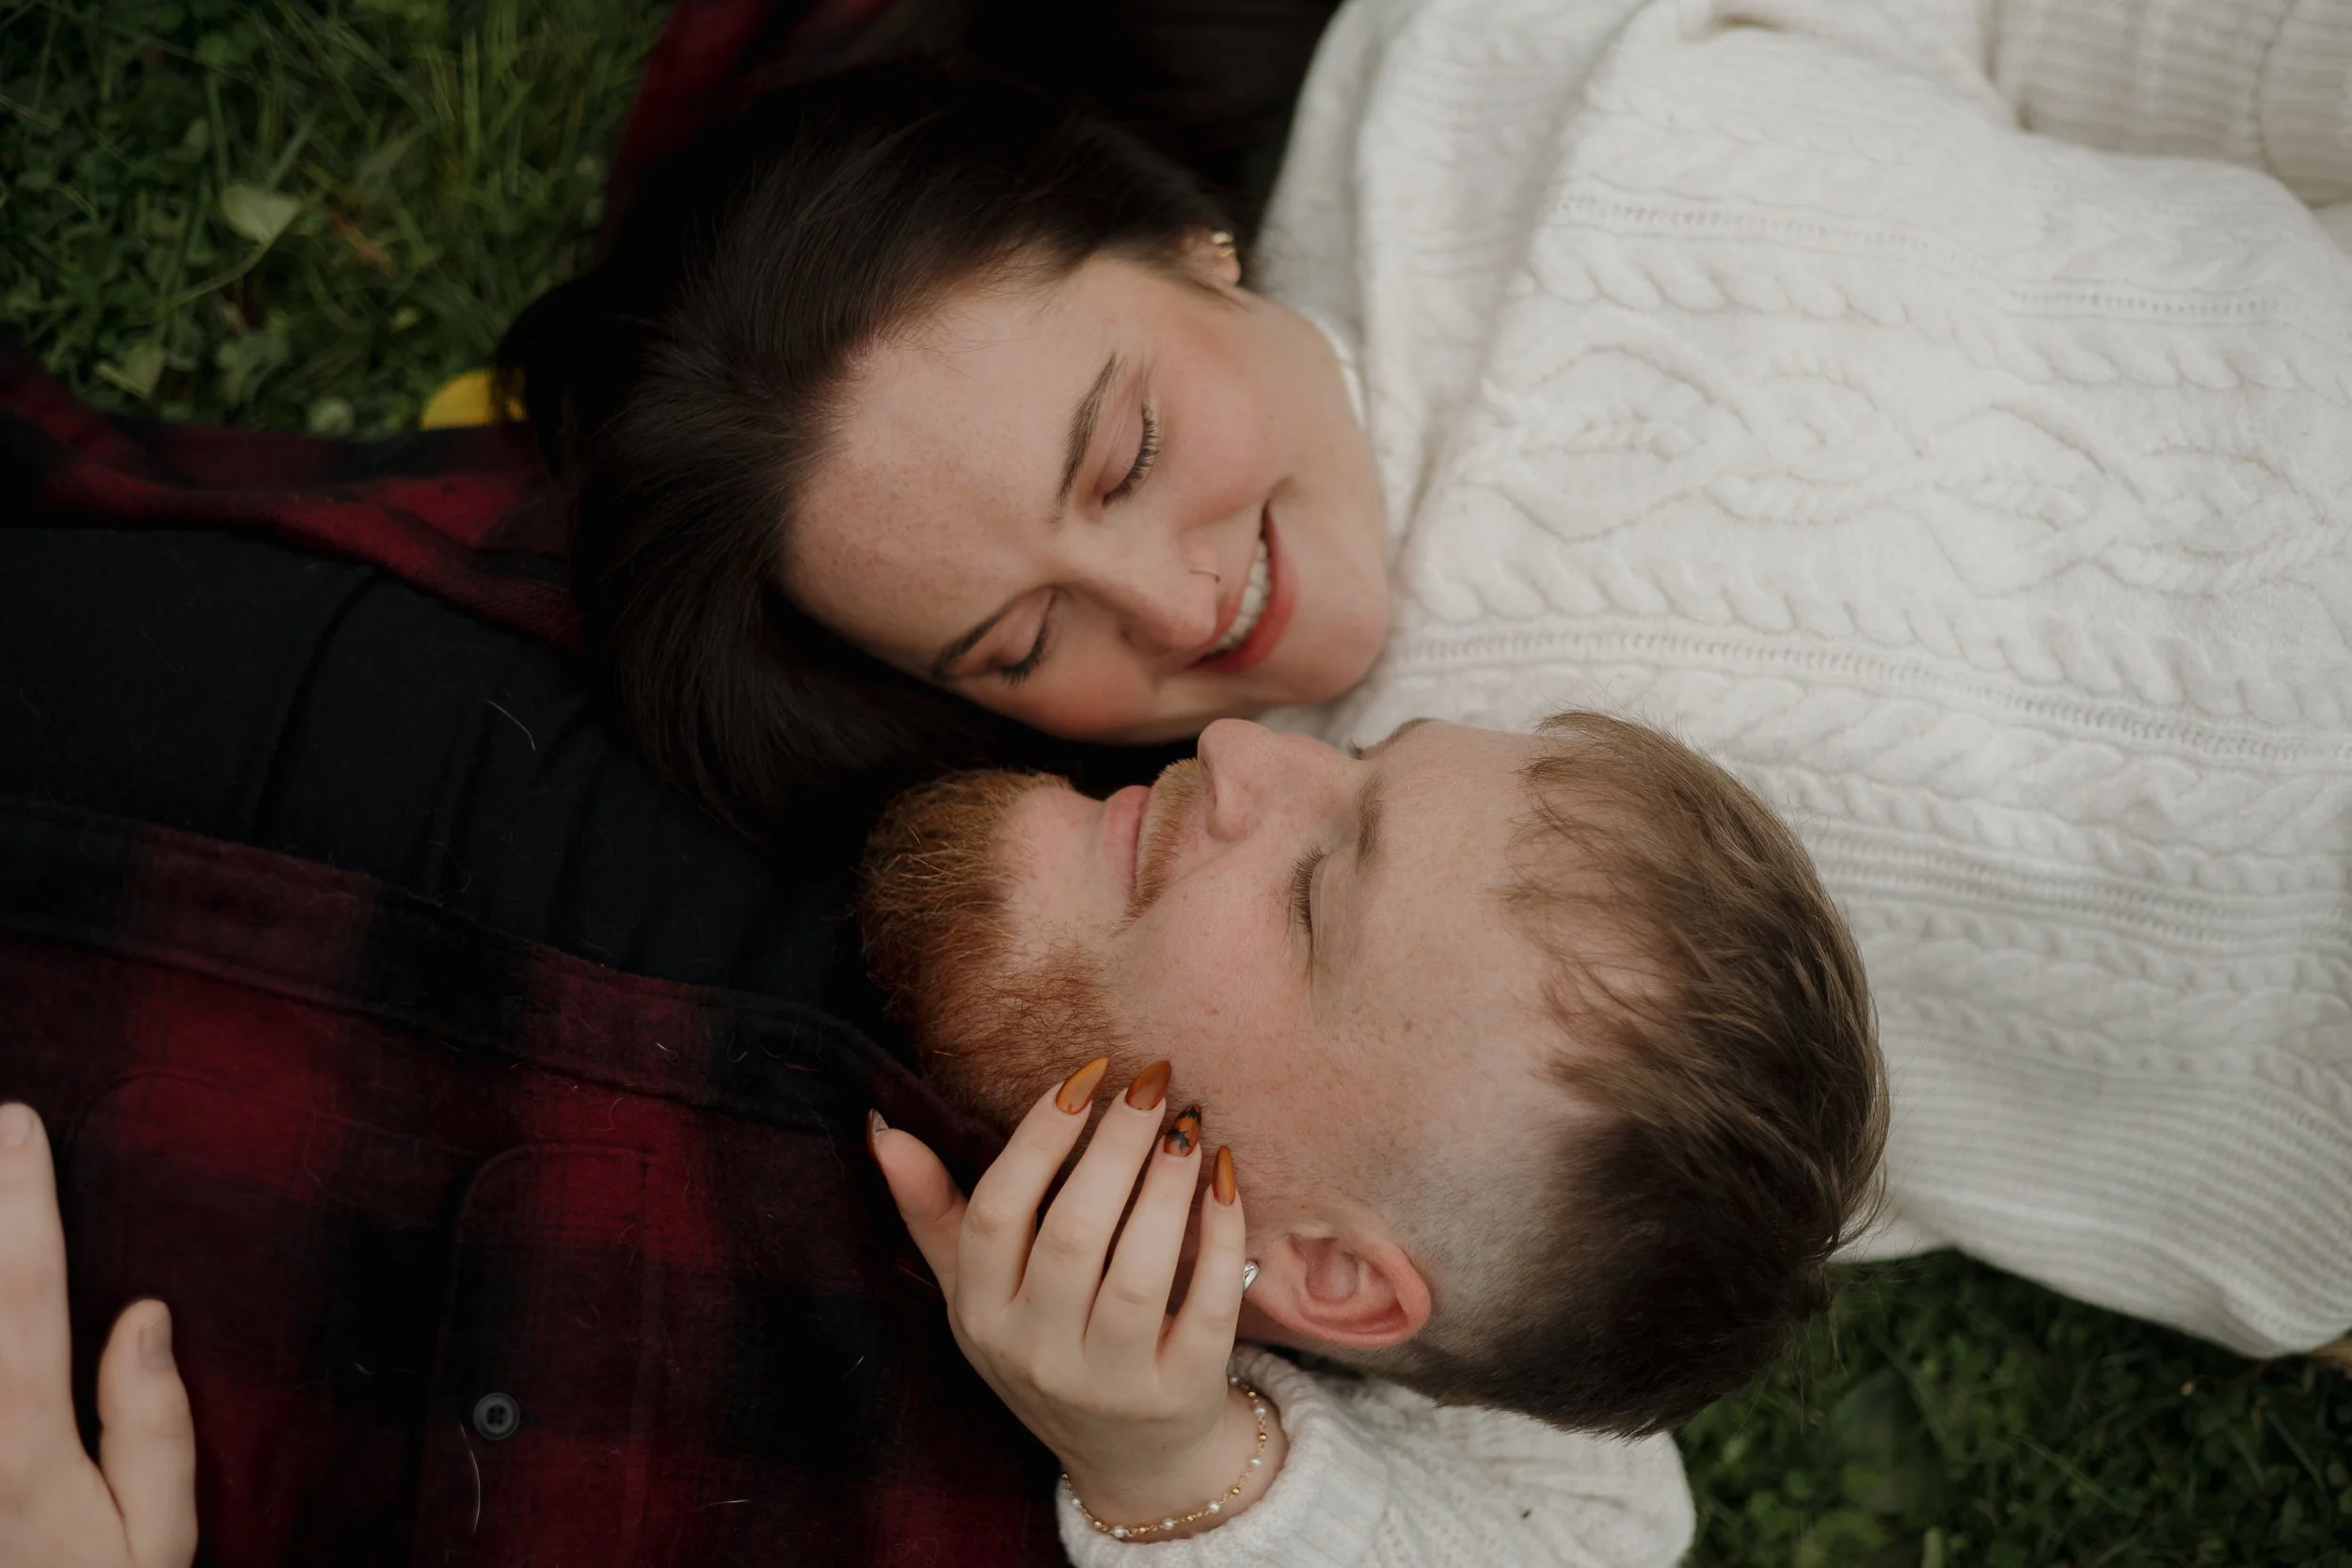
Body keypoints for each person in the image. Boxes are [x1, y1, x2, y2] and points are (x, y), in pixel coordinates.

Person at [511, 0, 2352, 1370]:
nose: (1173, 600)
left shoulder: (1523, 69)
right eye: (1022, 641)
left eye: (1126, 443)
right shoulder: (1293, 922)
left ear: (1181, 244)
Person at [0, 524, 1882, 1566]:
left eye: (1318, 892)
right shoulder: (990, 711)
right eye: (1358, 760)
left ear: (1325, 1267)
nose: (1244, 756)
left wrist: (1174, 1489)